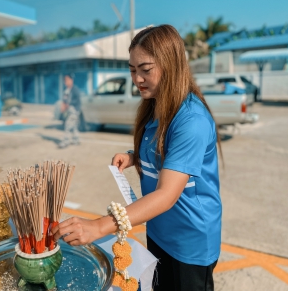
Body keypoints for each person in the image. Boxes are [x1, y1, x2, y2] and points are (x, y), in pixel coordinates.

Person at [52, 25, 222, 291]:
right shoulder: (156, 106)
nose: (137, 79)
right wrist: (134, 157)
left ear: (171, 65)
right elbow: (164, 152)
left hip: (189, 240)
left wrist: (100, 226)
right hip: (158, 229)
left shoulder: (192, 120)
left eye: (146, 69)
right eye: (132, 70)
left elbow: (167, 194)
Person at [58, 74, 81, 148]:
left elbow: (77, 101)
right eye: (65, 80)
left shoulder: (75, 89)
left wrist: (68, 104)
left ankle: (65, 141)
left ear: (71, 80)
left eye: (67, 80)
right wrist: (63, 106)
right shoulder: (66, 91)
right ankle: (76, 140)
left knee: (67, 125)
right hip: (69, 111)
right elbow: (64, 100)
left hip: (74, 111)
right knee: (74, 126)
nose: (66, 82)